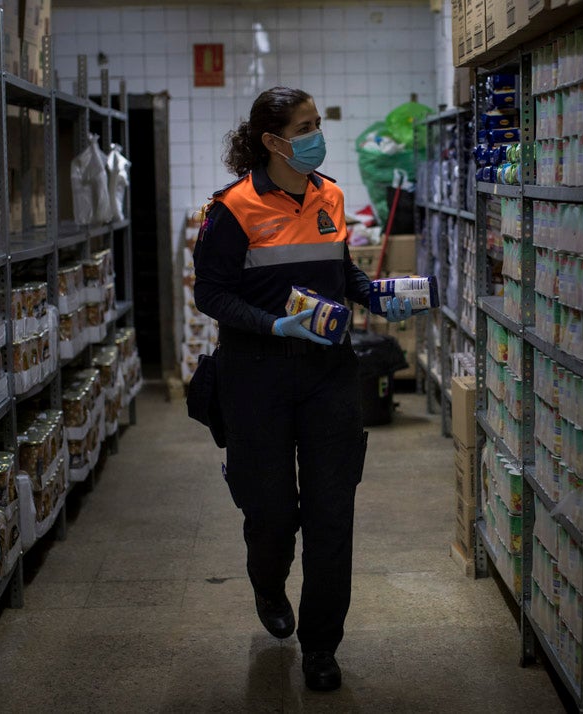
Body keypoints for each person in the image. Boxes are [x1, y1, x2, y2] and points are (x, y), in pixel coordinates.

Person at [192, 86, 419, 692]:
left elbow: (338, 270)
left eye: (317, 123)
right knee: (270, 514)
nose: (316, 134)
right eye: (304, 126)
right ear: (272, 141)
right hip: (255, 373)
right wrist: (271, 323)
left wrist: (373, 294)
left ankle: (322, 646)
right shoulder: (233, 208)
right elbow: (209, 295)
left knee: (331, 514)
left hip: (327, 374)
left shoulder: (331, 194)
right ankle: (268, 584)